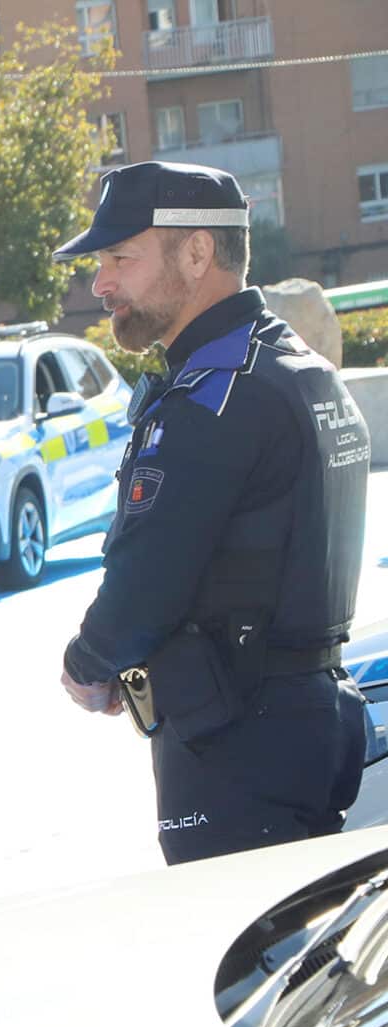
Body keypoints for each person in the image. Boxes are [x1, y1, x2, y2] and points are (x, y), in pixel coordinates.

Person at [54, 161, 371, 863]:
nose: (101, 284)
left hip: (239, 737)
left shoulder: (215, 397)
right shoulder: (296, 368)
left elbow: (149, 572)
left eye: (121, 258)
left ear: (198, 253)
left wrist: (90, 662)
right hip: (304, 712)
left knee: (243, 961)